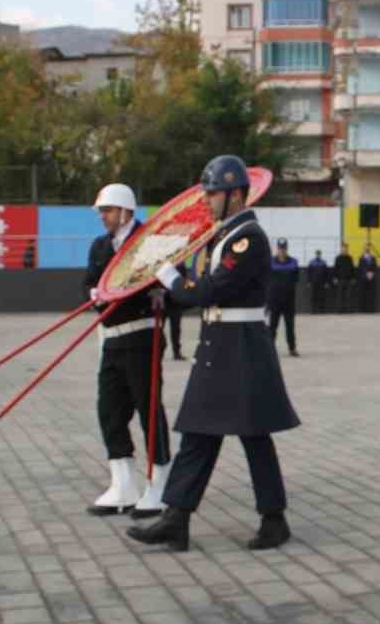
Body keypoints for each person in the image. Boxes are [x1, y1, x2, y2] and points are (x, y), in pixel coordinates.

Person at [128, 155, 300, 551]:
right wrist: (170, 287)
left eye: (213, 193)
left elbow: (208, 291)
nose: (206, 200)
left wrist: (166, 273)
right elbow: (199, 290)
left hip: (241, 348)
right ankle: (177, 518)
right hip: (220, 344)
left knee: (254, 435)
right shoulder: (224, 235)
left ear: (236, 195)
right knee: (199, 432)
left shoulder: (248, 238)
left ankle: (273, 520)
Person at [83, 183, 170, 518]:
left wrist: (163, 295)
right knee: (109, 410)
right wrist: (93, 295)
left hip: (142, 337)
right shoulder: (100, 246)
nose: (102, 216)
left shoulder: (151, 243)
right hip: (111, 338)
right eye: (101, 211)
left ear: (126, 212)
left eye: (107, 210)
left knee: (149, 410)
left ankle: (159, 482)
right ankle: (123, 485)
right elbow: (89, 282)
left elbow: (175, 281)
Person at [267, 238, 300, 358]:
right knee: (272, 327)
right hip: (274, 301)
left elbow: (296, 279)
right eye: (280, 248)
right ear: (277, 249)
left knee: (290, 326)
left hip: (288, 301)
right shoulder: (271, 262)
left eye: (284, 248)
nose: (282, 251)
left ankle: (292, 348)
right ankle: (270, 350)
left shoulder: (293, 262)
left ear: (287, 249)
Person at [332, 244, 357, 314]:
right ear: (341, 249)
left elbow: (352, 269)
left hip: (349, 279)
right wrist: (334, 278)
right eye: (343, 248)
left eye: (345, 248)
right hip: (340, 279)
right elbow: (335, 269)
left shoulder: (350, 258)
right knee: (339, 296)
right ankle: (339, 310)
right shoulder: (338, 258)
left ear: (347, 249)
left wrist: (353, 278)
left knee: (348, 296)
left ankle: (348, 310)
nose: (344, 250)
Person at [306, 250, 330, 314]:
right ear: (315, 254)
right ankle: (314, 310)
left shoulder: (324, 262)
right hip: (314, 282)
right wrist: (309, 282)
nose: (318, 255)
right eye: (317, 254)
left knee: (322, 297)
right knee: (314, 296)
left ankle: (321, 310)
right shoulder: (311, 262)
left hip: (322, 282)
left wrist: (326, 282)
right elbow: (309, 273)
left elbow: (326, 273)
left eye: (319, 254)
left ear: (320, 255)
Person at [358, 245, 380, 313]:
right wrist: (366, 274)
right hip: (364, 278)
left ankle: (371, 309)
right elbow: (360, 268)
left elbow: (375, 267)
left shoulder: (373, 258)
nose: (367, 249)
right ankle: (363, 309)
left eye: (368, 248)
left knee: (371, 294)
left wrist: (372, 274)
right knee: (363, 294)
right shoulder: (361, 258)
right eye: (366, 248)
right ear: (364, 249)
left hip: (372, 278)